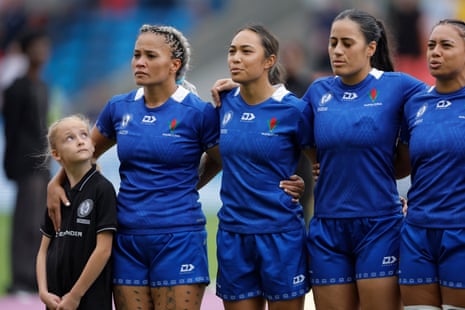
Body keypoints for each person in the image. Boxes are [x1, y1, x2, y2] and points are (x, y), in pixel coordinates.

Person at [46, 24, 303, 310]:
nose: (140, 62)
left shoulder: (199, 112)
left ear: (174, 64)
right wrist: (57, 182)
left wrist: (190, 185)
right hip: (127, 240)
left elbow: (225, 158)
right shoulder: (119, 108)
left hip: (180, 238)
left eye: (150, 56)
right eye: (136, 55)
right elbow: (84, 154)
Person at [214, 24, 312, 310]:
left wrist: (306, 183)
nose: (235, 58)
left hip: (281, 235)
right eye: (232, 51)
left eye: (246, 51)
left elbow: (323, 161)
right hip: (233, 235)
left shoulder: (294, 109)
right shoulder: (222, 105)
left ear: (269, 61)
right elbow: (213, 158)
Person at [399, 18, 465, 310]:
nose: (435, 52)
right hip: (417, 234)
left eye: (446, 45)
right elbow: (398, 166)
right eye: (430, 45)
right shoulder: (414, 104)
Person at [36, 114, 117, 309]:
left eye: (84, 135)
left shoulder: (102, 189)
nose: (80, 141)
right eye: (70, 138)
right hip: (56, 300)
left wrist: (75, 295)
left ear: (92, 144)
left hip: (88, 299)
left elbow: (103, 250)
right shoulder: (56, 194)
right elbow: (43, 251)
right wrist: (43, 292)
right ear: (56, 154)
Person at [1, 28, 51, 294]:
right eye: (37, 47)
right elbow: (11, 130)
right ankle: (20, 279)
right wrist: (9, 163)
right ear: (26, 52)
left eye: (45, 47)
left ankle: (35, 278)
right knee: (25, 222)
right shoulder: (16, 88)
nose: (42, 52)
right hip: (24, 163)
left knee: (41, 222)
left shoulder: (44, 86)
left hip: (42, 164)